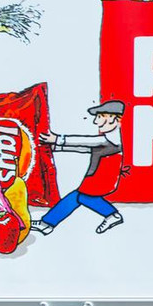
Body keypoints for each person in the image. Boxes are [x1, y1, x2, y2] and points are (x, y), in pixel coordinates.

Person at [31, 100, 125, 235]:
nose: (96, 122)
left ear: (111, 118)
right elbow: (86, 148)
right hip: (96, 177)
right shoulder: (108, 141)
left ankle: (112, 215)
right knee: (75, 197)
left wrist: (58, 139)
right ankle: (47, 223)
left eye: (99, 117)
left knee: (83, 197)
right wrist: (57, 147)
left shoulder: (109, 140)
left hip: (101, 178)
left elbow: (86, 141)